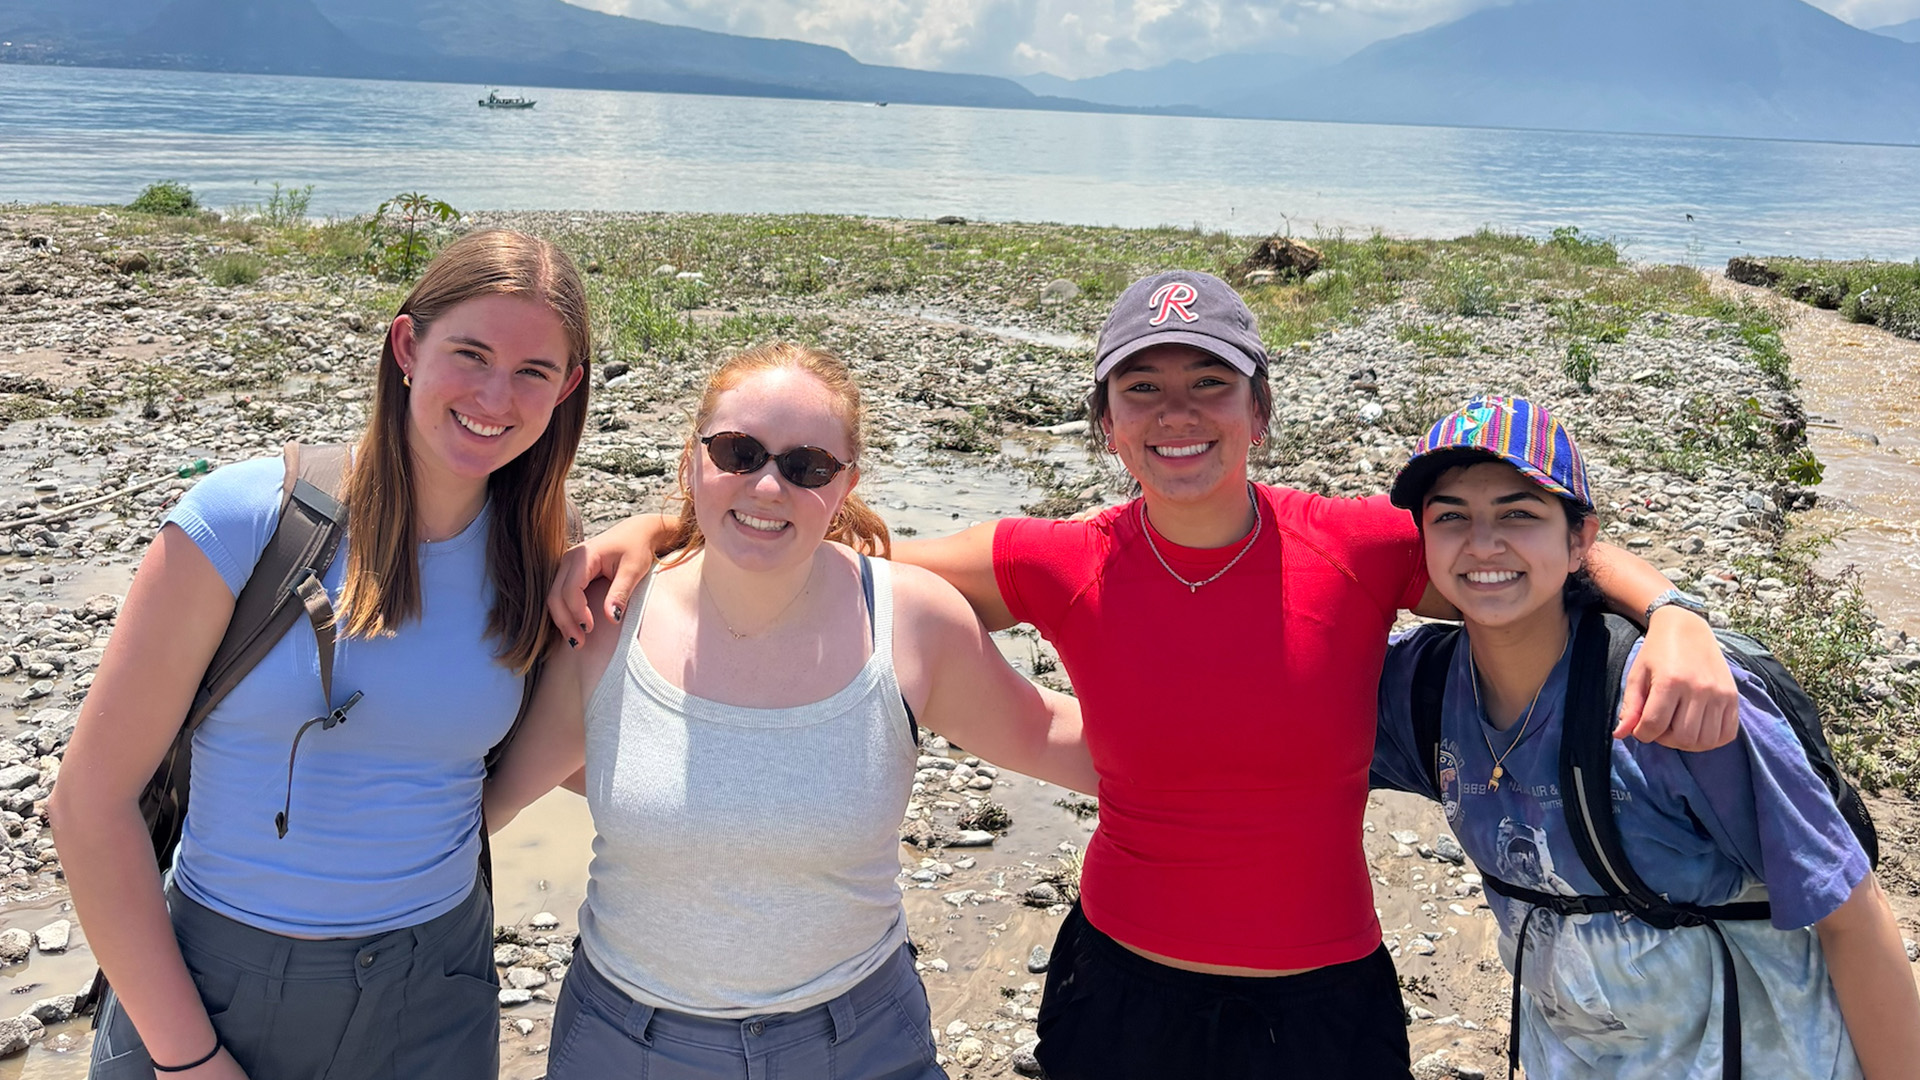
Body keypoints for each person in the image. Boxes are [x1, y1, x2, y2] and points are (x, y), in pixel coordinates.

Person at [549, 270, 1741, 1078]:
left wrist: (1673, 613)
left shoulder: (1361, 546)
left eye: (1209, 383)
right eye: (1143, 389)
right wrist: (662, 531)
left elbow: (1527, 555)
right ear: (1107, 423)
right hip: (1120, 995)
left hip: (1323, 1004)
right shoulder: (1056, 560)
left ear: (1259, 411)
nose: (1179, 414)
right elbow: (813, 548)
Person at [52, 228, 591, 1080]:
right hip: (211, 986)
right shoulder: (247, 519)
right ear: (407, 347)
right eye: (471, 353)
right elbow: (88, 805)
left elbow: (587, 768)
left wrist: (652, 535)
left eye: (533, 370)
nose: (496, 396)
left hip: (435, 996)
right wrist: (188, 1059)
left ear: (567, 388)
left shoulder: (545, 557)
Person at [484, 342, 1097, 1079]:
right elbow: (479, 801)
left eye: (807, 466)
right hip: (628, 1042)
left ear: (846, 486)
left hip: (860, 1044)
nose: (768, 486)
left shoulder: (909, 622)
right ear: (692, 461)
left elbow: (1052, 735)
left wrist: (1229, 775)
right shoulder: (606, 622)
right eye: (738, 453)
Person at [1370, 396, 1920, 1079]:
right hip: (1574, 1055)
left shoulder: (1674, 702)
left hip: (1763, 1054)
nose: (1483, 544)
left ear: (1580, 541)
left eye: (1519, 513)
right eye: (1451, 516)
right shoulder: (1421, 693)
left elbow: (1850, 914)